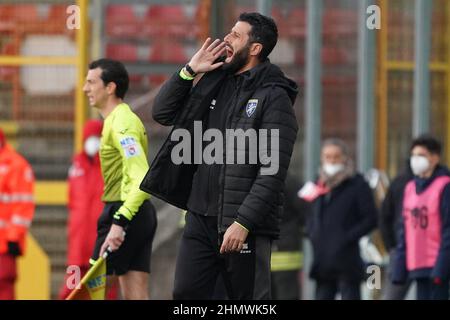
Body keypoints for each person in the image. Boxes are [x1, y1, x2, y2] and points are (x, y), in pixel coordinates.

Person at [140, 12, 298, 299]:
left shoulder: (274, 97)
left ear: (255, 49)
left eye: (236, 35)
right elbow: (162, 113)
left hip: (242, 224)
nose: (227, 38)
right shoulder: (214, 79)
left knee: (246, 301)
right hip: (199, 217)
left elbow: (272, 171)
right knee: (186, 295)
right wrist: (189, 71)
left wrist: (243, 223)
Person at [83, 58, 157, 300]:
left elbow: (142, 177)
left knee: (89, 292)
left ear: (110, 87)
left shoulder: (122, 123)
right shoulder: (115, 120)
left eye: (91, 82)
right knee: (136, 294)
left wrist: (119, 222)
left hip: (125, 213)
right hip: (137, 214)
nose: (85, 89)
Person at [304, 138, 377, 300]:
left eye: (335, 157)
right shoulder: (318, 183)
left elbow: (371, 218)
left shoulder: (357, 183)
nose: (331, 161)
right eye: (327, 157)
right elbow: (308, 213)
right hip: (322, 261)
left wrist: (346, 237)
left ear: (344, 158)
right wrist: (312, 232)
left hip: (347, 260)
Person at [58, 120, 118, 300]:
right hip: (78, 245)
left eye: (95, 137)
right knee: (71, 291)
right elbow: (72, 202)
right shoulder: (76, 167)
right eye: (89, 137)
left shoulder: (110, 166)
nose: (92, 141)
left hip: (101, 244)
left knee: (104, 293)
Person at [391, 135, 450, 300]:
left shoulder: (444, 186)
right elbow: (405, 230)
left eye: (421, 155)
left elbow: (448, 230)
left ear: (435, 157)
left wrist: (442, 267)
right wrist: (400, 267)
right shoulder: (410, 188)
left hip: (437, 264)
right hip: (417, 263)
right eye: (414, 155)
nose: (416, 160)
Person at [0, 128, 35, 300]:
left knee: (4, 287)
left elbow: (23, 205)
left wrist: (13, 237)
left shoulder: (16, 165)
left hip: (4, 245)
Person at [379, 159, 413, 300]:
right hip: (400, 252)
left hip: (431, 254)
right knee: (392, 294)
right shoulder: (400, 182)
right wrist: (391, 246)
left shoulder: (443, 182)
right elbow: (384, 216)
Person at [271, 173, 306, 300]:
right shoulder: (291, 182)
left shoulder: (254, 182)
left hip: (278, 254)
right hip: (286, 250)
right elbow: (307, 212)